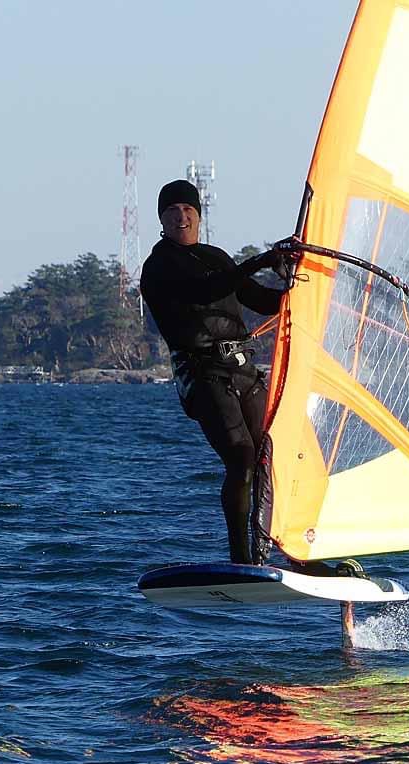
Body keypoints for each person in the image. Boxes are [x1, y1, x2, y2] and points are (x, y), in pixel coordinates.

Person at [140, 179, 287, 564]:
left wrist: (296, 283)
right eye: (172, 211)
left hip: (242, 368)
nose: (181, 216)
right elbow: (205, 291)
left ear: (199, 215)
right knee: (240, 456)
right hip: (202, 375)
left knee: (267, 457)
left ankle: (277, 553)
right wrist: (259, 260)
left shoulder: (216, 256)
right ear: (162, 219)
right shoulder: (158, 266)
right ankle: (242, 559)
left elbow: (259, 300)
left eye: (188, 210)